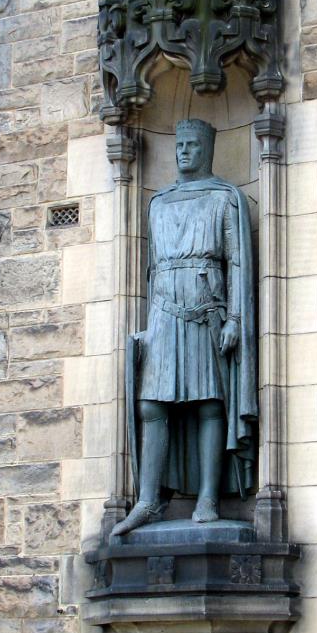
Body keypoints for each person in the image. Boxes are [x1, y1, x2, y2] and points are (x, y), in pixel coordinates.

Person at [112, 119, 258, 536]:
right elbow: (150, 268)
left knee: (209, 404)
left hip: (207, 312)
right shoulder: (158, 202)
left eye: (192, 145)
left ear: (207, 149)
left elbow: (237, 263)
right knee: (152, 405)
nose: (183, 151)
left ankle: (210, 497)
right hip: (163, 315)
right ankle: (147, 500)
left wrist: (236, 319)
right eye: (179, 144)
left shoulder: (224, 198)